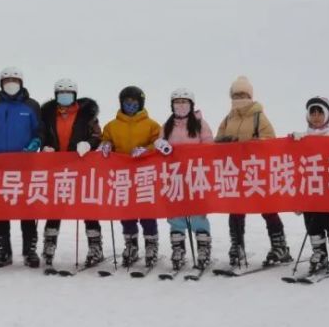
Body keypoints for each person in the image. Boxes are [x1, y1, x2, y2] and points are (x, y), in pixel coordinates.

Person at [216, 76, 291, 268]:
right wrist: (223, 143)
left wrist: (254, 145)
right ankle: (237, 246)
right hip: (234, 171)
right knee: (235, 210)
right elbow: (217, 142)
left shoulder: (259, 116)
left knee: (267, 208)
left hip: (257, 171)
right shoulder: (228, 118)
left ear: (249, 95)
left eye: (243, 94)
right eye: (236, 94)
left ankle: (280, 246)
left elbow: (270, 141)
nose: (239, 97)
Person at [0, 66, 42, 268]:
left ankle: (30, 250)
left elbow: (39, 131)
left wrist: (35, 143)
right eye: (7, 80)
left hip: (25, 166)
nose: (11, 84)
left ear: (21, 82)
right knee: (2, 209)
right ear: (1, 83)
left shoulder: (31, 105)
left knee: (27, 208)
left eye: (14, 80)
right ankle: (3, 250)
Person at [39, 78, 102, 268]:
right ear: (56, 95)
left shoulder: (86, 115)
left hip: (80, 167)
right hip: (56, 168)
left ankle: (95, 248)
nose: (64, 97)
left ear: (74, 95)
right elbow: (41, 133)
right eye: (60, 94)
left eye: (68, 93)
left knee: (87, 207)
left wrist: (88, 144)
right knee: (54, 207)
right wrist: (44, 146)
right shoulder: (48, 115)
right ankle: (49, 247)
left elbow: (97, 135)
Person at [99, 85, 162, 267]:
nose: (130, 105)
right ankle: (131, 245)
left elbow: (158, 143)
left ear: (141, 103)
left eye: (134, 102)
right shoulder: (112, 125)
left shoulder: (151, 125)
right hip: (122, 177)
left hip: (144, 176)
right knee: (127, 212)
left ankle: (151, 245)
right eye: (127, 102)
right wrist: (106, 145)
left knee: (146, 211)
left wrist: (146, 149)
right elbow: (106, 139)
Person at [291, 96, 329, 274]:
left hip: (328, 188)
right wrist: (291, 142)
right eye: (312, 113)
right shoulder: (302, 138)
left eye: (319, 113)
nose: (316, 117)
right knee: (312, 222)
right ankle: (320, 253)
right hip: (310, 189)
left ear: (327, 116)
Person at [160, 88, 214, 270]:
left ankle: (204, 249)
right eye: (177, 102)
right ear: (172, 105)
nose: (181, 106)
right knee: (176, 214)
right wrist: (159, 144)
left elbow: (209, 145)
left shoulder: (200, 124)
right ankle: (178, 249)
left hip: (196, 175)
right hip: (174, 176)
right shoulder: (167, 125)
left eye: (185, 102)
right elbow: (160, 144)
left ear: (191, 105)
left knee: (198, 213)